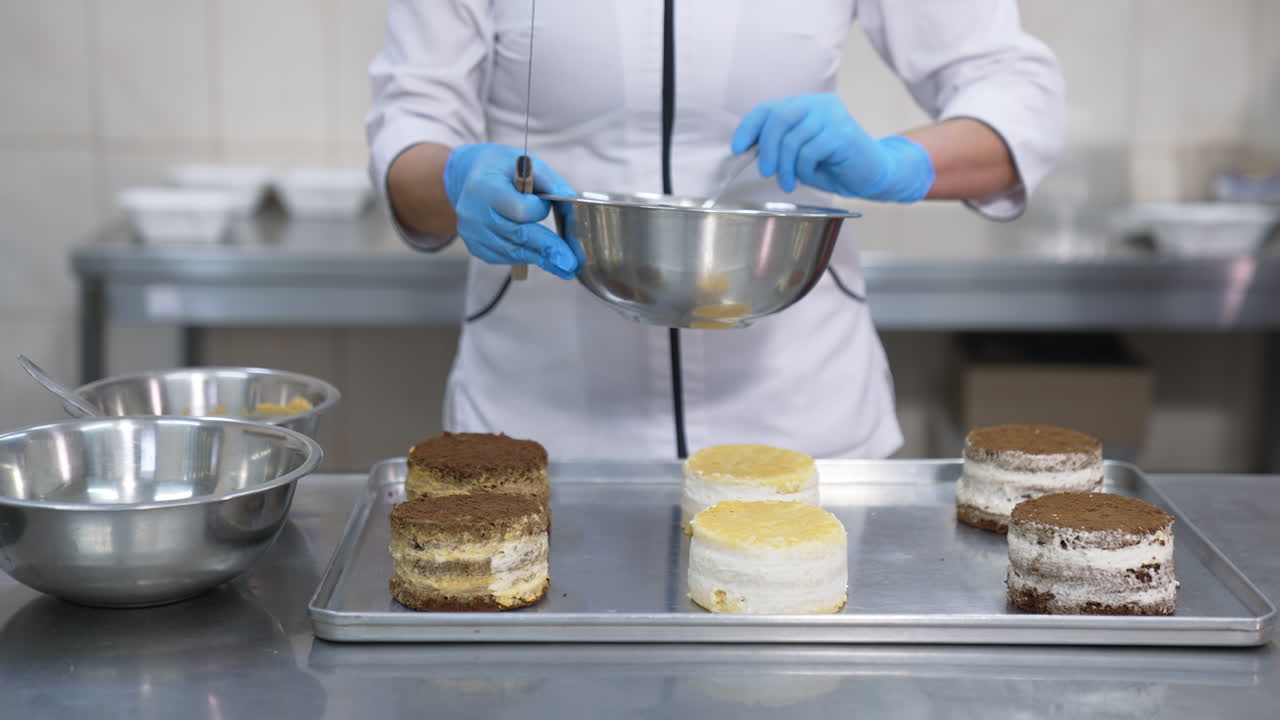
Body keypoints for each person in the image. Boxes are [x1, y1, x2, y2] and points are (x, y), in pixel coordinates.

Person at [367, 1, 1064, 461]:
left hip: (798, 421)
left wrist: (898, 164)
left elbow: (1014, 88)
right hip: (544, 425)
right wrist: (457, 178)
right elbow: (411, 128)